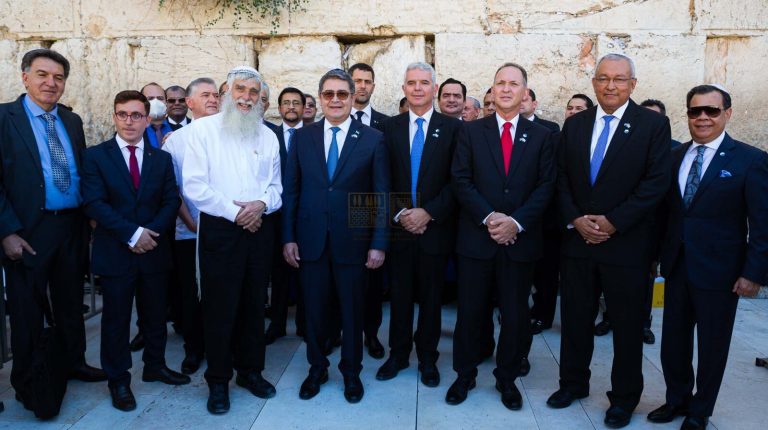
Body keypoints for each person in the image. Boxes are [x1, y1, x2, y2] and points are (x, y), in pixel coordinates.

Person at [550, 53, 671, 429]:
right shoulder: (575, 124)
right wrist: (575, 218)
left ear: (633, 84)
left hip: (627, 245)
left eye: (619, 79)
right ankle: (572, 384)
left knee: (627, 326)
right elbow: (560, 177)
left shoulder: (653, 125)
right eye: (603, 78)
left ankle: (623, 398)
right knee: (575, 319)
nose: (611, 85)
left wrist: (614, 221)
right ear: (594, 83)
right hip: (578, 242)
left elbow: (656, 183)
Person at [647, 85, 768, 430]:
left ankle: (700, 410)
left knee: (713, 344)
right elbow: (664, 215)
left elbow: (762, 223)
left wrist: (754, 273)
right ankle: (676, 400)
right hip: (677, 265)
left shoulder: (750, 160)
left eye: (711, 111)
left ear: (727, 113)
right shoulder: (674, 156)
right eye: (694, 111)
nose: (702, 117)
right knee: (674, 341)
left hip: (721, 271)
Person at [0, 48, 106, 411]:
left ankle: (73, 362)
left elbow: (80, 170)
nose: (51, 83)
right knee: (26, 309)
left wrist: (91, 214)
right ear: (25, 77)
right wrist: (6, 232)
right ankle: (28, 381)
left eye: (58, 77)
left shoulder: (71, 120)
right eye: (42, 75)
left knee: (70, 302)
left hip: (72, 226)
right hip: (27, 230)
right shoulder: (4, 118)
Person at [449, 62, 555, 411]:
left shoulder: (542, 136)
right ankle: (464, 375)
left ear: (525, 93)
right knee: (469, 313)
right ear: (492, 91)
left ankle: (507, 378)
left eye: (514, 84)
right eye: (500, 83)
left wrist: (516, 222)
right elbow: (460, 180)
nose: (506, 89)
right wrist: (491, 217)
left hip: (519, 242)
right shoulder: (470, 132)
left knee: (515, 315)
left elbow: (546, 186)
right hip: (477, 240)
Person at [282, 68, 389, 403]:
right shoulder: (303, 137)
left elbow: (380, 196)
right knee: (314, 311)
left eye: (342, 93)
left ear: (353, 96)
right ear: (320, 97)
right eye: (328, 94)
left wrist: (378, 243)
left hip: (354, 244)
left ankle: (351, 372)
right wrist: (288, 237)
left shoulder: (372, 138)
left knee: (352, 311)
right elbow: (291, 191)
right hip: (310, 240)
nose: (336, 100)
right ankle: (317, 369)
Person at [82, 90, 189, 412]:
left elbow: (171, 200)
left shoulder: (161, 159)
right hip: (116, 251)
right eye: (123, 114)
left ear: (147, 119)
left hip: (154, 249)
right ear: (115, 117)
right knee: (116, 320)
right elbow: (94, 203)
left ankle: (155, 366)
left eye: (136, 115)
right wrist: (133, 234)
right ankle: (118, 379)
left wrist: (149, 232)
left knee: (155, 315)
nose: (129, 121)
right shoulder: (95, 156)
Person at [183, 66, 282, 414]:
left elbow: (276, 188)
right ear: (226, 92)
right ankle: (218, 381)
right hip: (221, 229)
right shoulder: (203, 131)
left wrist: (261, 204)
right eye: (240, 89)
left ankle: (250, 372)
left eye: (254, 92)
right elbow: (194, 186)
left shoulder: (268, 136)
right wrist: (235, 212)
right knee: (220, 309)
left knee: (254, 306)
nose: (247, 97)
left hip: (258, 229)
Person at [376, 62, 462, 388]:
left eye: (424, 82)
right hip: (399, 229)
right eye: (411, 82)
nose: (417, 88)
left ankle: (428, 358)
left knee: (431, 299)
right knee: (399, 297)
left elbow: (458, 180)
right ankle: (398, 354)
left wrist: (428, 212)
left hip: (435, 229)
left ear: (434, 88)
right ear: (403, 89)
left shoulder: (453, 129)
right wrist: (401, 213)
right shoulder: (388, 128)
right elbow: (380, 179)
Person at [161, 77, 220, 374]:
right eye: (205, 95)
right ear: (189, 102)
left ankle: (223, 347)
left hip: (224, 230)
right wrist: (192, 224)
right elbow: (173, 190)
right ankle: (194, 349)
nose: (213, 99)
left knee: (221, 292)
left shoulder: (229, 134)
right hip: (189, 231)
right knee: (191, 293)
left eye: (216, 95)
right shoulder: (176, 141)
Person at [349, 62, 390, 357]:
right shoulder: (330, 121)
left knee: (371, 281)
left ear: (373, 86)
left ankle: (371, 334)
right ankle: (336, 332)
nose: (362, 86)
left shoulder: (387, 125)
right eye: (357, 80)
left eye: (367, 81)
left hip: (370, 211)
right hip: (338, 212)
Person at [264, 86, 306, 344]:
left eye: (296, 103)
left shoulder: (313, 135)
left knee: (305, 272)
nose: (291, 107)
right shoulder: (268, 137)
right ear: (279, 108)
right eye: (286, 103)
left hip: (305, 215)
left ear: (303, 107)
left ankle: (304, 324)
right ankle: (277, 324)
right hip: (275, 216)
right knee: (278, 273)